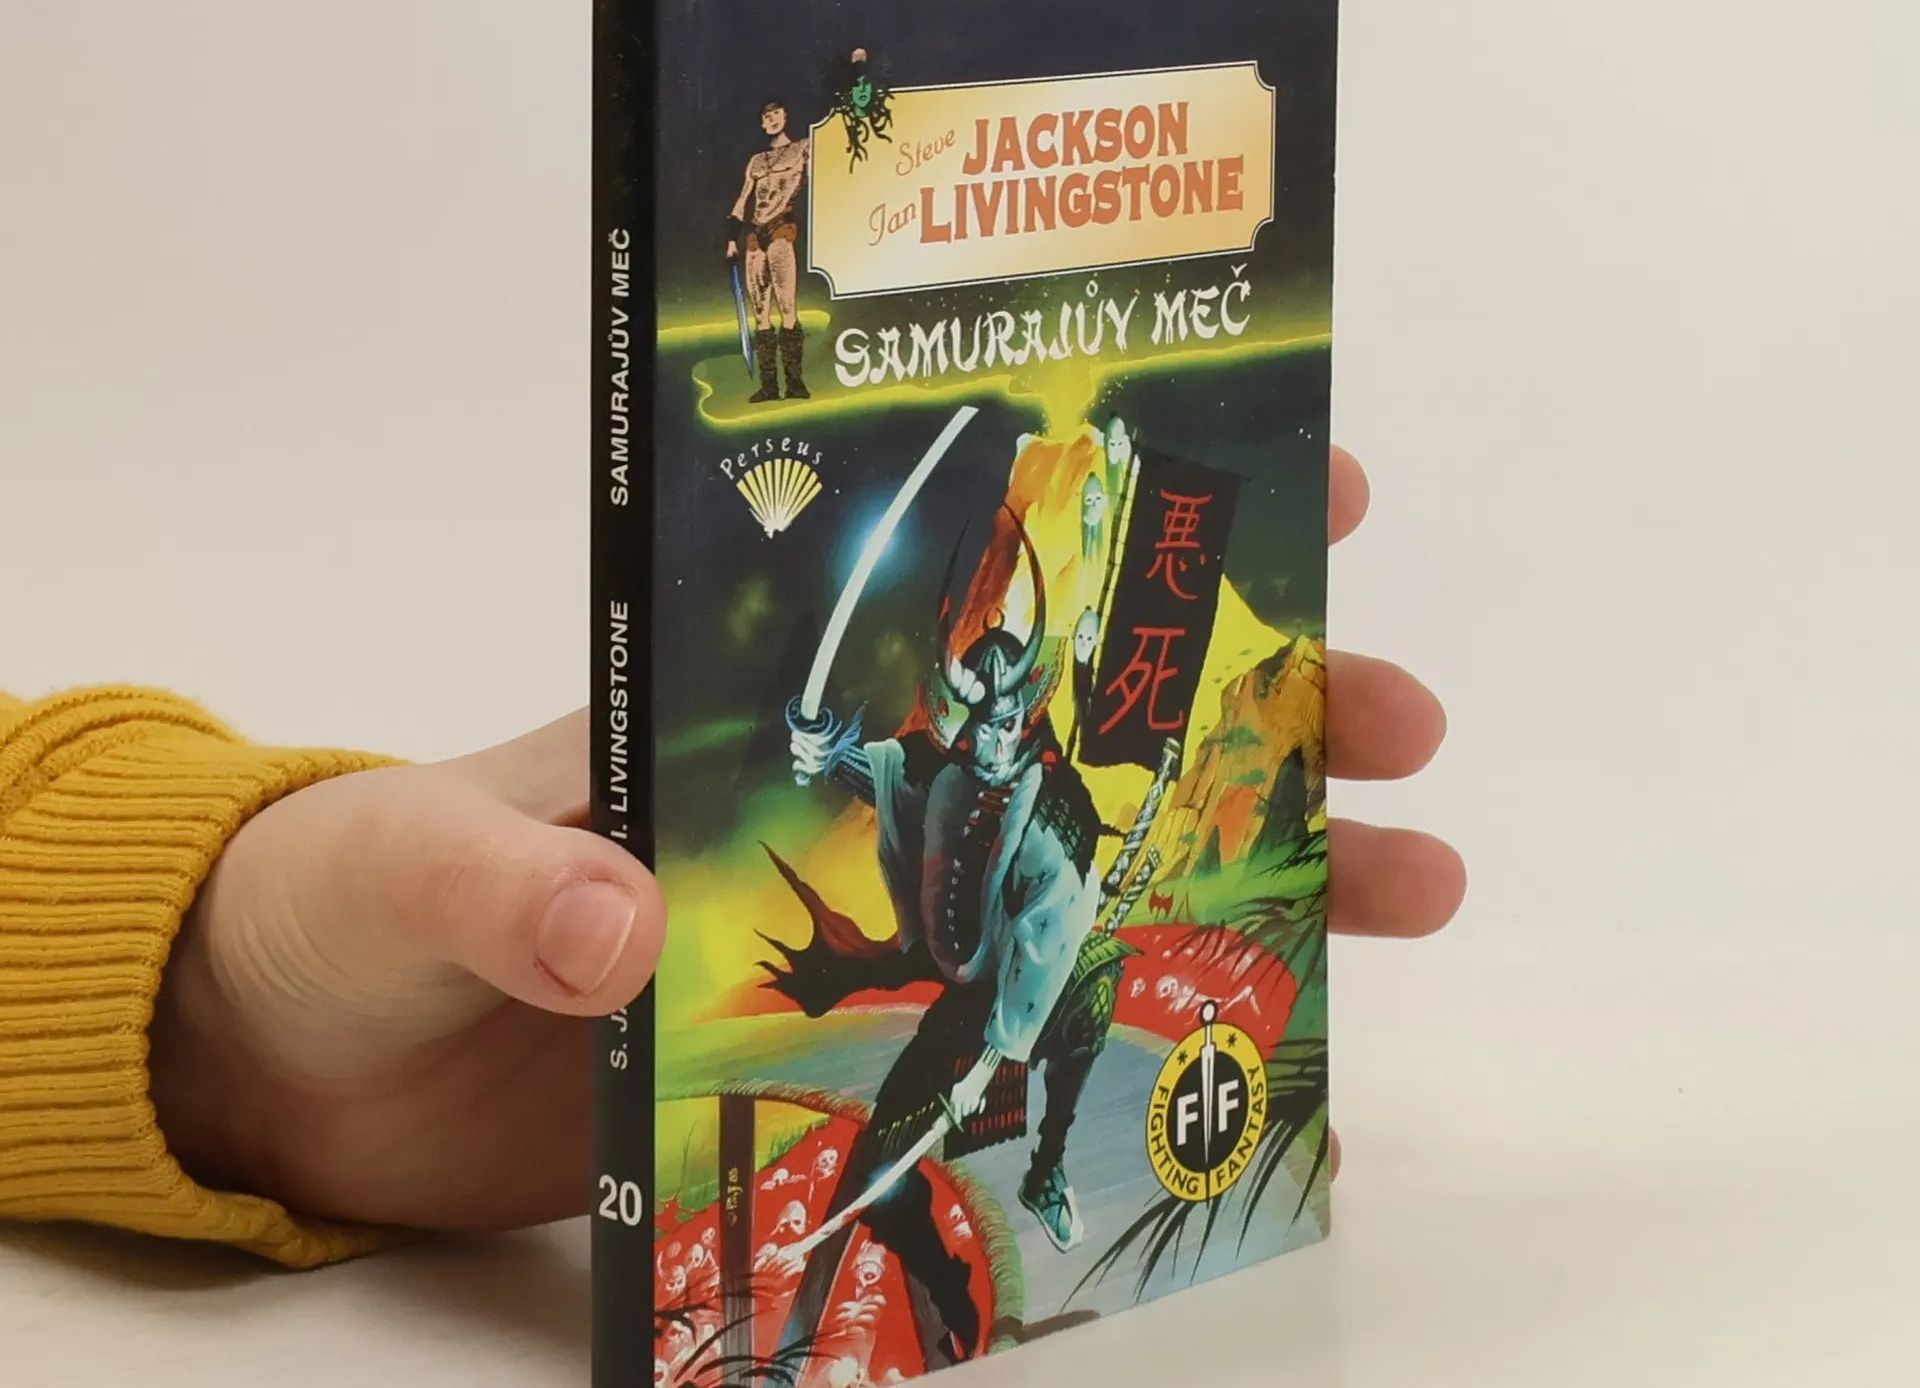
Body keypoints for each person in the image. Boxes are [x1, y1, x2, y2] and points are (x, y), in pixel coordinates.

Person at [0, 450, 1462, 1267]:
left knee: (1062, 1037)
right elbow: (855, 765)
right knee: (895, 1134)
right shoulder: (928, 760)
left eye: (1007, 696)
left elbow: (1043, 937)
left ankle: (1046, 1171)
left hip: (1034, 989)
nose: (985, 716)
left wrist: (210, 1013)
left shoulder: (1058, 811)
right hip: (951, 984)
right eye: (971, 691)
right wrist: (819, 742)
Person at [726, 98, 811, 404]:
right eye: (766, 116)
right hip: (755, 232)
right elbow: (742, 200)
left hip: (781, 228)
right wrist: (731, 239)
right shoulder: (757, 161)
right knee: (760, 312)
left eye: (776, 113)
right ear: (762, 123)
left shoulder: (803, 149)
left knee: (787, 305)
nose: (772, 119)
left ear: (785, 116)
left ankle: (795, 383)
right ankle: (769, 387)